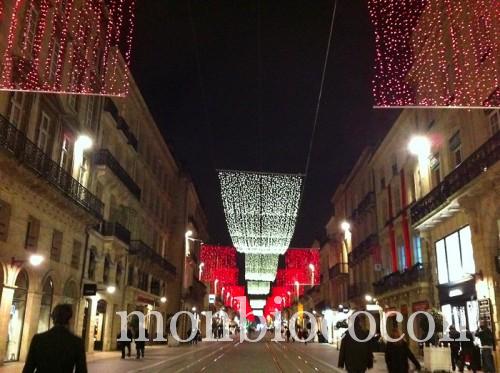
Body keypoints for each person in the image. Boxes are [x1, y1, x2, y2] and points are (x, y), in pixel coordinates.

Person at [23, 304, 87, 373]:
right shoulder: (77, 342)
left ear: (53, 319)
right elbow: (82, 370)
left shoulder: (38, 339)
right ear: (69, 319)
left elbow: (28, 368)